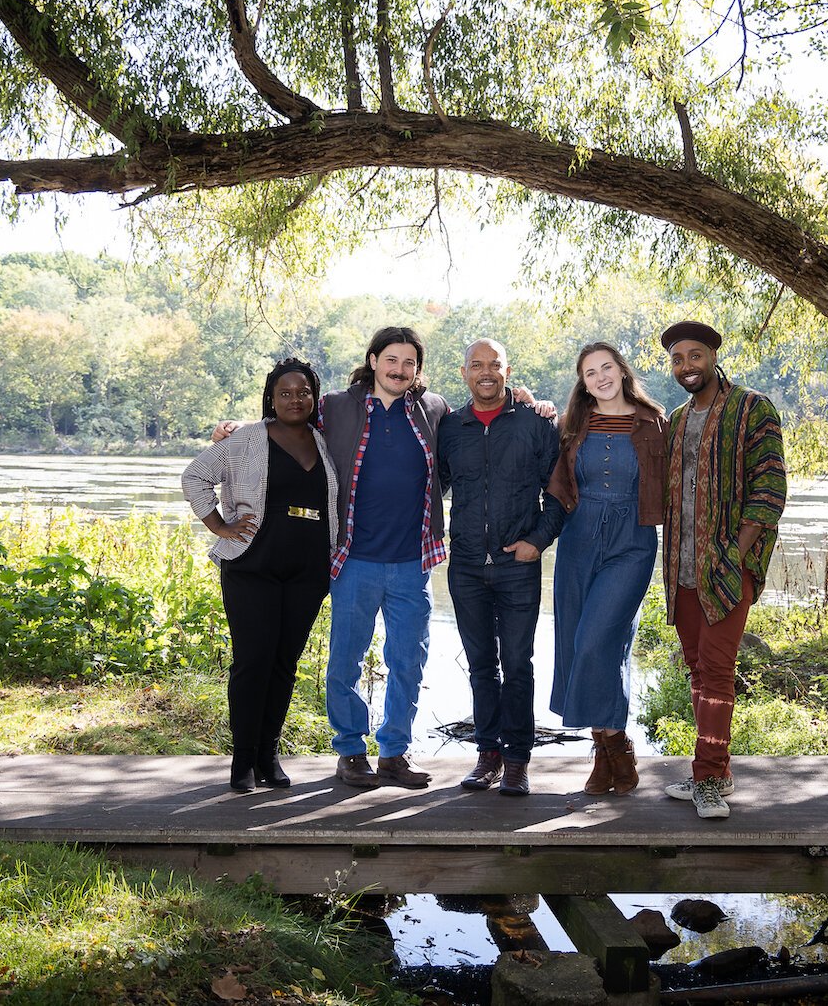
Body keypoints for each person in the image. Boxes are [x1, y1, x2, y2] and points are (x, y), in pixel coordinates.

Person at [182, 358, 338, 793]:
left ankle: (270, 757)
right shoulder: (246, 439)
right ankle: (243, 762)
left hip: (308, 571)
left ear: (314, 397)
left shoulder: (324, 442)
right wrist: (219, 526)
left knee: (285, 665)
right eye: (285, 392)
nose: (295, 399)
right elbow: (195, 476)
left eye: (303, 392)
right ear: (271, 397)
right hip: (253, 567)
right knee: (253, 663)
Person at [659, 320, 787, 820]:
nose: (686, 366)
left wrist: (736, 552)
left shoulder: (752, 408)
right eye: (677, 358)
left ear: (713, 355)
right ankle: (716, 770)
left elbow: (770, 488)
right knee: (697, 668)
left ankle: (708, 779)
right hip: (682, 568)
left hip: (727, 568)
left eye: (694, 355)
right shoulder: (675, 419)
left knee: (717, 669)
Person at [318, 326, 453, 789]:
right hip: (354, 559)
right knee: (345, 661)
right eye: (391, 360)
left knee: (409, 661)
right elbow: (285, 426)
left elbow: (472, 438)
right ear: (374, 360)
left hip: (413, 562)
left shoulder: (432, 409)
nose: (400, 370)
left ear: (418, 368)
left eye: (409, 362)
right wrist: (236, 430)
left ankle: (394, 752)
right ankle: (351, 750)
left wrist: (528, 401)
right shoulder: (336, 406)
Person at [437, 339, 565, 797]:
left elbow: (560, 493)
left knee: (517, 663)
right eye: (477, 365)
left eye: (494, 365)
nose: (485, 373)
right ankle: (486, 754)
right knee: (479, 666)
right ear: (464, 371)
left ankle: (516, 761)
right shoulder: (450, 428)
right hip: (467, 566)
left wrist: (537, 540)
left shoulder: (535, 424)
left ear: (508, 370)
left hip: (518, 566)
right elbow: (429, 487)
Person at [546, 341, 668, 795]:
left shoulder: (655, 422)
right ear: (583, 381)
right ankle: (608, 749)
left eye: (607, 368)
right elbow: (554, 482)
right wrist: (526, 399)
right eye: (590, 372)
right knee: (579, 644)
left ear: (622, 370)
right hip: (578, 541)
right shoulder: (571, 425)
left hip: (631, 542)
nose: (600, 377)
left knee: (600, 639)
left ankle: (613, 745)